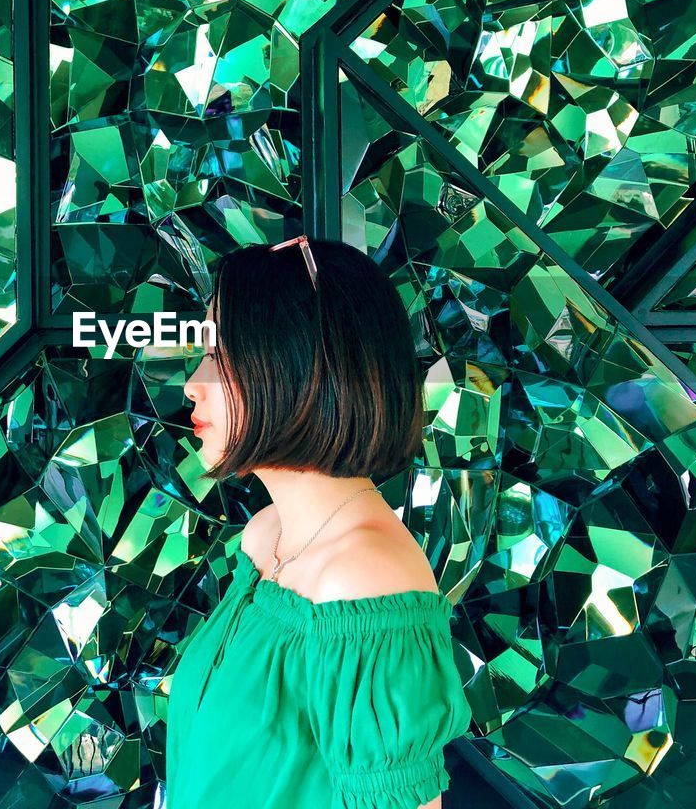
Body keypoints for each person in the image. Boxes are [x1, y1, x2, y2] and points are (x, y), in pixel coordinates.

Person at [164, 235, 474, 809]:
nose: (192, 384)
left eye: (219, 356)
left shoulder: (364, 581)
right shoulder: (264, 537)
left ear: (295, 366)